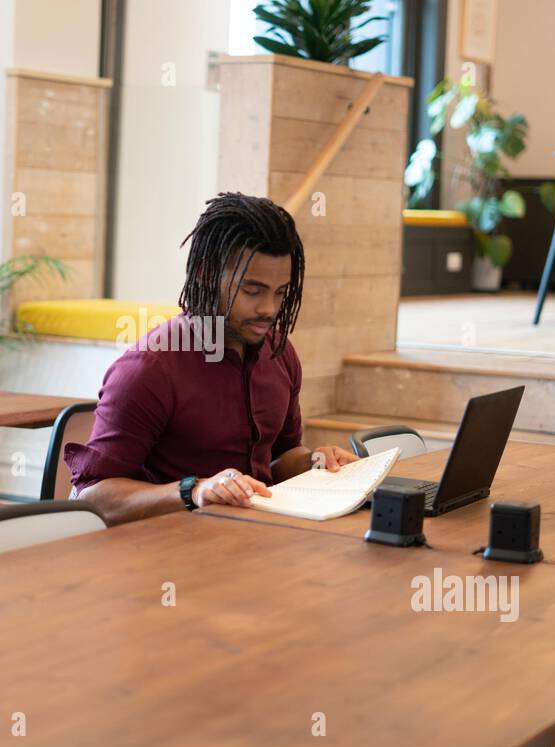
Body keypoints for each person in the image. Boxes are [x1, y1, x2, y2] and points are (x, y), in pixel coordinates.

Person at [65, 192, 356, 526]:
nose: (269, 310)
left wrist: (315, 462)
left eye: (280, 292)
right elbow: (93, 497)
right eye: (252, 290)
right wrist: (196, 491)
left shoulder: (279, 353)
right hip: (166, 554)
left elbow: (280, 457)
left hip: (255, 542)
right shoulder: (149, 369)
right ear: (205, 274)